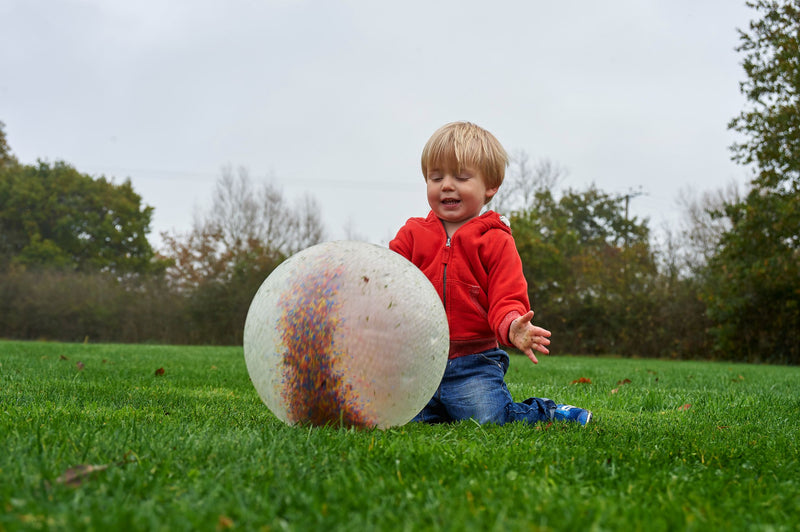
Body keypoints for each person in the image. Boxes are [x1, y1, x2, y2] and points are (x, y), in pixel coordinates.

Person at [389, 121, 592, 426]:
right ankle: (440, 410)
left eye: (461, 177)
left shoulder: (495, 240)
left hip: (474, 363)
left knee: (488, 418)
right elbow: (386, 281)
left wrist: (512, 325)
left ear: (490, 186)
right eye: (436, 177)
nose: (446, 185)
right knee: (399, 419)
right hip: (418, 364)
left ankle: (547, 411)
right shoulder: (412, 234)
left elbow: (507, 297)